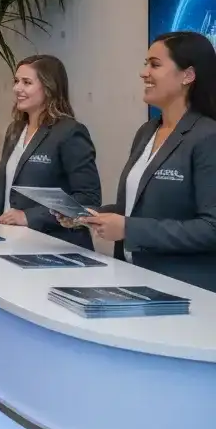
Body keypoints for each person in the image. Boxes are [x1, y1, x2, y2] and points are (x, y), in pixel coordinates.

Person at [73, 32, 216, 290]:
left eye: (155, 64)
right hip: (133, 281)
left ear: (188, 75)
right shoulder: (147, 131)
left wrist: (129, 229)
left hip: (184, 291)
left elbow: (211, 228)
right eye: (145, 63)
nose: (143, 73)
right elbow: (135, 207)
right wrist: (90, 215)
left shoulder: (208, 137)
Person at [0, 55, 101, 249]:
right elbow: (5, 186)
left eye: (27, 82)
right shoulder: (15, 130)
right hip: (14, 240)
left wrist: (29, 216)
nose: (17, 88)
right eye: (16, 81)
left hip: (55, 245)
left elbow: (88, 198)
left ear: (49, 88)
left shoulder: (70, 132)